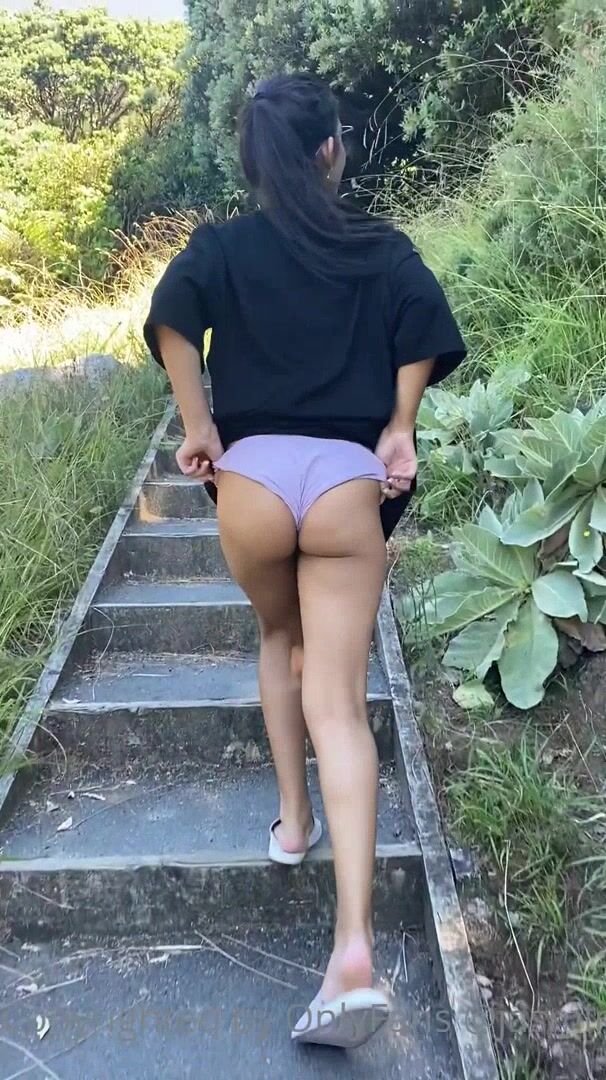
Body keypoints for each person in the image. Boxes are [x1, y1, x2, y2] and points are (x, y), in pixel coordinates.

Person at [143, 72, 466, 1049]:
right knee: (341, 702)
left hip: (251, 481)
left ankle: (292, 824)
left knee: (277, 639)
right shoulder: (378, 246)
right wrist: (400, 424)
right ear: (332, 149)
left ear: (252, 160)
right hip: (342, 485)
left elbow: (171, 314)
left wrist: (199, 425)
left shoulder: (221, 247)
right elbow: (424, 319)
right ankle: (353, 952)